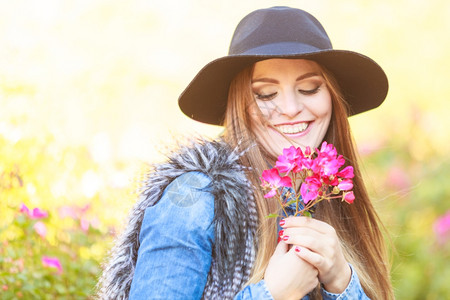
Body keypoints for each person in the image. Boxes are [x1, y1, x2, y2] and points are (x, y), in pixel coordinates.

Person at [97, 6, 394, 300]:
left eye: (309, 88)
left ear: (332, 97)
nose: (290, 109)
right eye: (266, 94)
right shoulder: (196, 197)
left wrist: (342, 282)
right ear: (240, 105)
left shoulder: (326, 198)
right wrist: (271, 294)